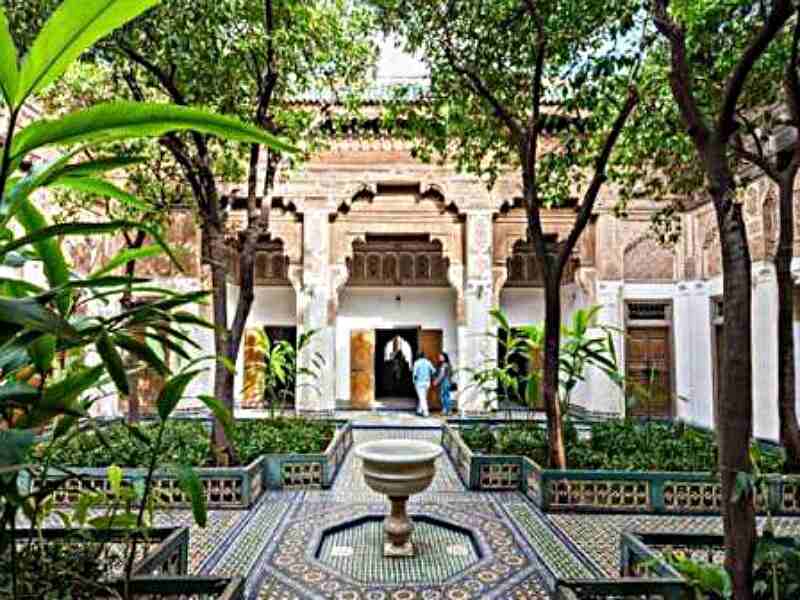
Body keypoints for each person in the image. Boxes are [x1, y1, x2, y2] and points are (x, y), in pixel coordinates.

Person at [412, 351, 436, 417]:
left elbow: (414, 373)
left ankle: (426, 412)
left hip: (419, 382)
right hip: (427, 382)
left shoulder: (417, 363)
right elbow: (434, 371)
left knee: (422, 398)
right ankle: (419, 410)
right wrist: (429, 376)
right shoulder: (428, 362)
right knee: (423, 397)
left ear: (418, 356)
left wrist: (414, 382)